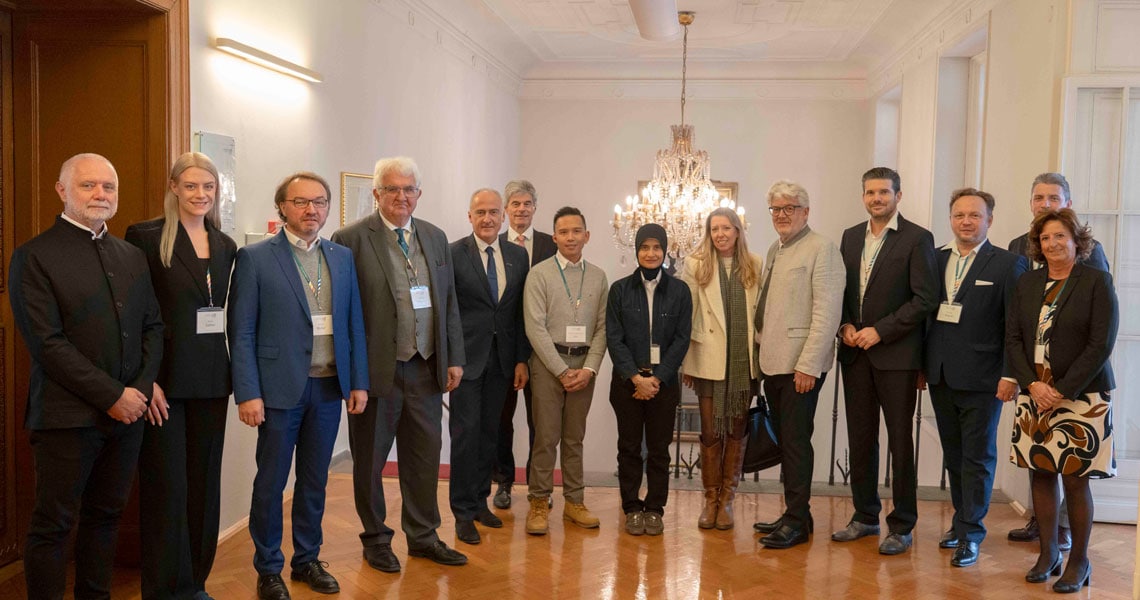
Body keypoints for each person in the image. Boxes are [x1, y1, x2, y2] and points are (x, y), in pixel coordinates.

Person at [9, 153, 163, 600]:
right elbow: (47, 344)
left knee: (106, 517)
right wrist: (113, 394)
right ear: (62, 190)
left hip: (127, 415)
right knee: (53, 526)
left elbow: (153, 326)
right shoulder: (34, 256)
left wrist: (137, 389)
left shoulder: (131, 255)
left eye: (108, 187)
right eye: (88, 186)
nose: (100, 194)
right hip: (65, 417)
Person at [228, 172, 369, 600]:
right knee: (271, 482)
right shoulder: (255, 258)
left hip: (328, 389)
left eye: (320, 202)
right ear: (282, 207)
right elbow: (243, 331)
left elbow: (353, 324)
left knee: (314, 480)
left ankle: (307, 560)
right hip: (277, 391)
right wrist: (248, 392)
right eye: (302, 202)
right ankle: (268, 567)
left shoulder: (341, 257)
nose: (312, 210)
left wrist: (357, 381)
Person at [331, 156, 468, 571]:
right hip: (376, 372)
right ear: (376, 194)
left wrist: (454, 357)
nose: (402, 196)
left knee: (425, 457)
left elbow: (448, 302)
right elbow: (345, 313)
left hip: (426, 368)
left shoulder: (435, 236)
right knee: (370, 462)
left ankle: (424, 536)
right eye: (392, 189)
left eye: (409, 189)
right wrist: (352, 375)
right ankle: (375, 539)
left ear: (419, 195)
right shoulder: (350, 239)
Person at [125, 152, 237, 600]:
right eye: (190, 186)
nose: (199, 195)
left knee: (204, 487)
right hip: (163, 383)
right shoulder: (147, 237)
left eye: (207, 187)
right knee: (166, 488)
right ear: (174, 187)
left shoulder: (226, 245)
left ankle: (196, 584)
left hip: (212, 381)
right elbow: (134, 315)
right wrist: (143, 379)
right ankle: (164, 589)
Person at [1007, 208, 1117, 592]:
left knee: (1074, 480)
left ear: (1076, 241)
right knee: (1040, 474)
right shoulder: (1026, 284)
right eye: (1045, 238)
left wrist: (1062, 390)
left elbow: (1100, 344)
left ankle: (1079, 561)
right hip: (1035, 395)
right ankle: (1048, 553)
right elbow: (1014, 340)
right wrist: (1032, 385)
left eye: (1060, 237)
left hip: (1081, 396)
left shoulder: (1096, 282)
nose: (1052, 244)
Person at [834, 167, 938, 555]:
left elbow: (925, 298)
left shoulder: (917, 238)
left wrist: (881, 330)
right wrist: (845, 324)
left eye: (883, 192)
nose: (876, 198)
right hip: (854, 355)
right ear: (862, 196)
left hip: (896, 356)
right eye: (870, 192)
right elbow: (841, 290)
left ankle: (902, 524)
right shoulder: (848, 237)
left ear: (898, 195)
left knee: (899, 443)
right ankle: (864, 517)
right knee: (860, 440)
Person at [921, 188, 1027, 568]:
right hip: (941, 374)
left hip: (984, 379)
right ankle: (961, 518)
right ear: (951, 219)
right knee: (955, 455)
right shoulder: (934, 259)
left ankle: (971, 533)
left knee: (978, 457)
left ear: (989, 221)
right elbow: (926, 316)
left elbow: (1016, 326)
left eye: (975, 215)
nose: (966, 221)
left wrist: (1010, 374)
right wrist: (922, 367)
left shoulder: (1007, 264)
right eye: (959, 215)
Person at [750, 181, 844, 549]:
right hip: (772, 362)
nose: (782, 215)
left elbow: (826, 312)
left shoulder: (823, 249)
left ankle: (794, 522)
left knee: (795, 444)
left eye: (790, 208)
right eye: (776, 209)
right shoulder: (775, 249)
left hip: (799, 368)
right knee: (788, 442)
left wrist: (808, 365)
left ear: (806, 211)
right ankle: (798, 515)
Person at [447, 188, 530, 545]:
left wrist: (521, 359)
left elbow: (518, 313)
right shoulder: (453, 254)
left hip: (502, 361)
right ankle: (462, 513)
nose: (487, 218)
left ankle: (480, 502)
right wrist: (451, 359)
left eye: (494, 212)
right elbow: (448, 312)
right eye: (480, 212)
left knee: (490, 435)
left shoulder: (516, 255)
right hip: (465, 363)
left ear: (504, 216)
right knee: (465, 437)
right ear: (469, 216)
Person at [523, 206, 608, 535]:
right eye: (564, 232)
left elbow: (602, 329)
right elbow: (535, 328)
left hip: (584, 366)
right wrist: (560, 371)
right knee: (545, 437)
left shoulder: (599, 277)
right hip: (547, 366)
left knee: (575, 438)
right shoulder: (540, 274)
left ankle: (575, 502)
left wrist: (588, 369)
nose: (571, 237)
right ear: (554, 237)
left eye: (577, 231)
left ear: (587, 236)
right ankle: (539, 503)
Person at [606, 223, 692, 536]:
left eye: (657, 247)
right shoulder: (619, 290)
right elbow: (614, 339)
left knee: (659, 449)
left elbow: (682, 339)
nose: (651, 253)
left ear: (665, 251)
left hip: (664, 385)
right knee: (628, 447)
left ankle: (655, 508)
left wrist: (657, 378)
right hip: (627, 382)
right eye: (645, 247)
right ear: (637, 251)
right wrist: (635, 378)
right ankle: (631, 506)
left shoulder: (680, 291)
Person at [680, 207, 763, 531]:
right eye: (714, 229)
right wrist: (687, 362)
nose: (720, 234)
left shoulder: (754, 264)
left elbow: (761, 314)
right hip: (708, 360)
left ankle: (727, 498)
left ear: (738, 231)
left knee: (736, 431)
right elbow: (687, 316)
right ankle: (710, 498)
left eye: (726, 228)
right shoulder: (696, 264)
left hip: (743, 365)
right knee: (712, 432)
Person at [493, 179, 557, 510]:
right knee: (502, 419)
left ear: (535, 208)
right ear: (506, 210)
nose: (521, 209)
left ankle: (538, 486)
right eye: (515, 204)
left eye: (527, 203)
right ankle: (503, 481)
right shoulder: (494, 243)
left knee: (541, 421)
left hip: (542, 349)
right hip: (503, 349)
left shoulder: (551, 244)